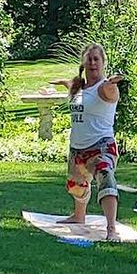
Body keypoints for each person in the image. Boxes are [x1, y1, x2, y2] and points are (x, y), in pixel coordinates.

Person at [53, 44, 124, 241]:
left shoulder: (105, 88)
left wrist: (112, 83)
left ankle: (111, 229)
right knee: (76, 186)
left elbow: (110, 89)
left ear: (103, 63)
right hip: (78, 150)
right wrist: (62, 82)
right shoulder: (79, 87)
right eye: (89, 59)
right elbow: (72, 85)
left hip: (101, 146)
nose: (92, 63)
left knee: (105, 176)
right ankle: (78, 216)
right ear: (83, 63)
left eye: (96, 59)